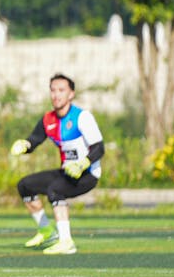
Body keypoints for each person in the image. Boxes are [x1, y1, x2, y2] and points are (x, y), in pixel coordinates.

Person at [10, 73, 104, 255]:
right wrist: (24, 145)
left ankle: (66, 242)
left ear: (71, 94)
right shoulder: (48, 119)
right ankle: (47, 231)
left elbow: (99, 148)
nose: (56, 95)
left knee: (55, 189)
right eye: (53, 90)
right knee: (25, 185)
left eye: (61, 90)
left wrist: (83, 163)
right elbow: (35, 140)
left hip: (88, 175)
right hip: (66, 172)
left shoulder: (82, 117)